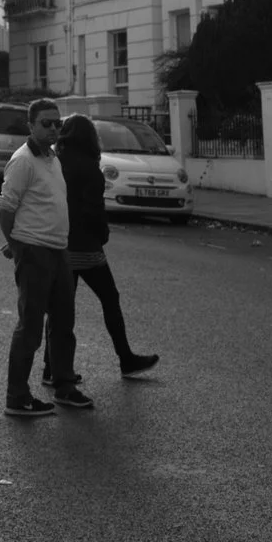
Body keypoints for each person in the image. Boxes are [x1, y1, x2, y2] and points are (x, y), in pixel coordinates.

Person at [42, 114, 161, 389]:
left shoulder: (55, 164)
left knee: (60, 309)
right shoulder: (89, 168)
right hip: (86, 247)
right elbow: (94, 210)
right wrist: (102, 236)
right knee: (110, 299)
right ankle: (126, 359)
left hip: (60, 244)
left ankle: (51, 367)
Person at [0, 97, 80, 417]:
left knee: (63, 324)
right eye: (46, 123)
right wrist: (17, 246)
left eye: (57, 124)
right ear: (30, 126)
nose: (53, 129)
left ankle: (65, 387)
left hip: (59, 251)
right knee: (30, 327)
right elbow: (6, 209)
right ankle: (17, 396)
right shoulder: (23, 161)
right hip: (34, 252)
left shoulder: (52, 158)